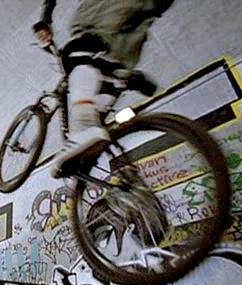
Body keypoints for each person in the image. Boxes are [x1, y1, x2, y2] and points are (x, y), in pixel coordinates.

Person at [33, 0, 175, 177]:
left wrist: (45, 17)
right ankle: (89, 151)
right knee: (107, 79)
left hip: (106, 18)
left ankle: (83, 127)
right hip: (131, 36)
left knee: (75, 53)